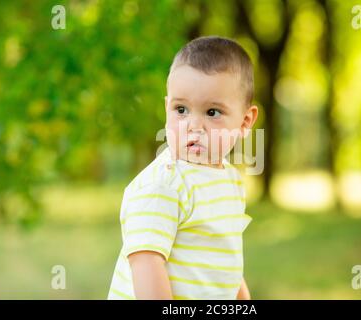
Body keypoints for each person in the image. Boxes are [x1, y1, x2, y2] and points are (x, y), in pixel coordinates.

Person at [108, 35, 259, 300]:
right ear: (167, 107)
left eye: (212, 112)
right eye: (181, 109)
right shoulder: (163, 185)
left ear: (245, 121)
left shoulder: (230, 180)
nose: (193, 126)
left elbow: (224, 256)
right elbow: (146, 263)